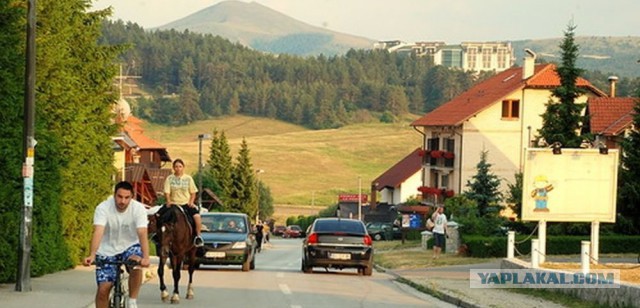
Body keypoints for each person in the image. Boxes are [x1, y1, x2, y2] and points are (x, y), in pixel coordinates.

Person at [83, 181, 151, 308]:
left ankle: (132, 301)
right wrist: (92, 255)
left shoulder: (138, 209)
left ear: (132, 197)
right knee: (103, 290)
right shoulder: (103, 208)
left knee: (136, 265)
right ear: (114, 195)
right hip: (106, 249)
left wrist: (145, 257)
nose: (123, 201)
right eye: (119, 197)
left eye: (127, 198)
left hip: (130, 246)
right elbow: (98, 231)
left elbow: (142, 232)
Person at [163, 158, 203, 247]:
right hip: (174, 204)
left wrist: (191, 202)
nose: (178, 168)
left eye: (180, 166)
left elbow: (193, 192)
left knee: (197, 217)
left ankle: (198, 236)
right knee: (158, 215)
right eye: (176, 166)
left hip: (185, 204)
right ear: (173, 168)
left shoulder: (188, 178)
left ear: (183, 167)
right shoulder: (169, 178)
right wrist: (168, 201)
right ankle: (157, 236)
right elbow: (167, 192)